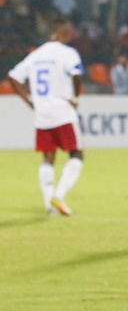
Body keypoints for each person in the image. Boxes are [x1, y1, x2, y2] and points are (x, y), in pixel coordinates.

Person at [8, 16, 84, 216]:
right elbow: (76, 74)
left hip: (42, 112)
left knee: (48, 157)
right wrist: (75, 98)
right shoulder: (68, 53)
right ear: (64, 32)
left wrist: (29, 102)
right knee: (76, 154)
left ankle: (49, 203)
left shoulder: (36, 55)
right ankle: (58, 196)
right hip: (63, 110)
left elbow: (13, 77)